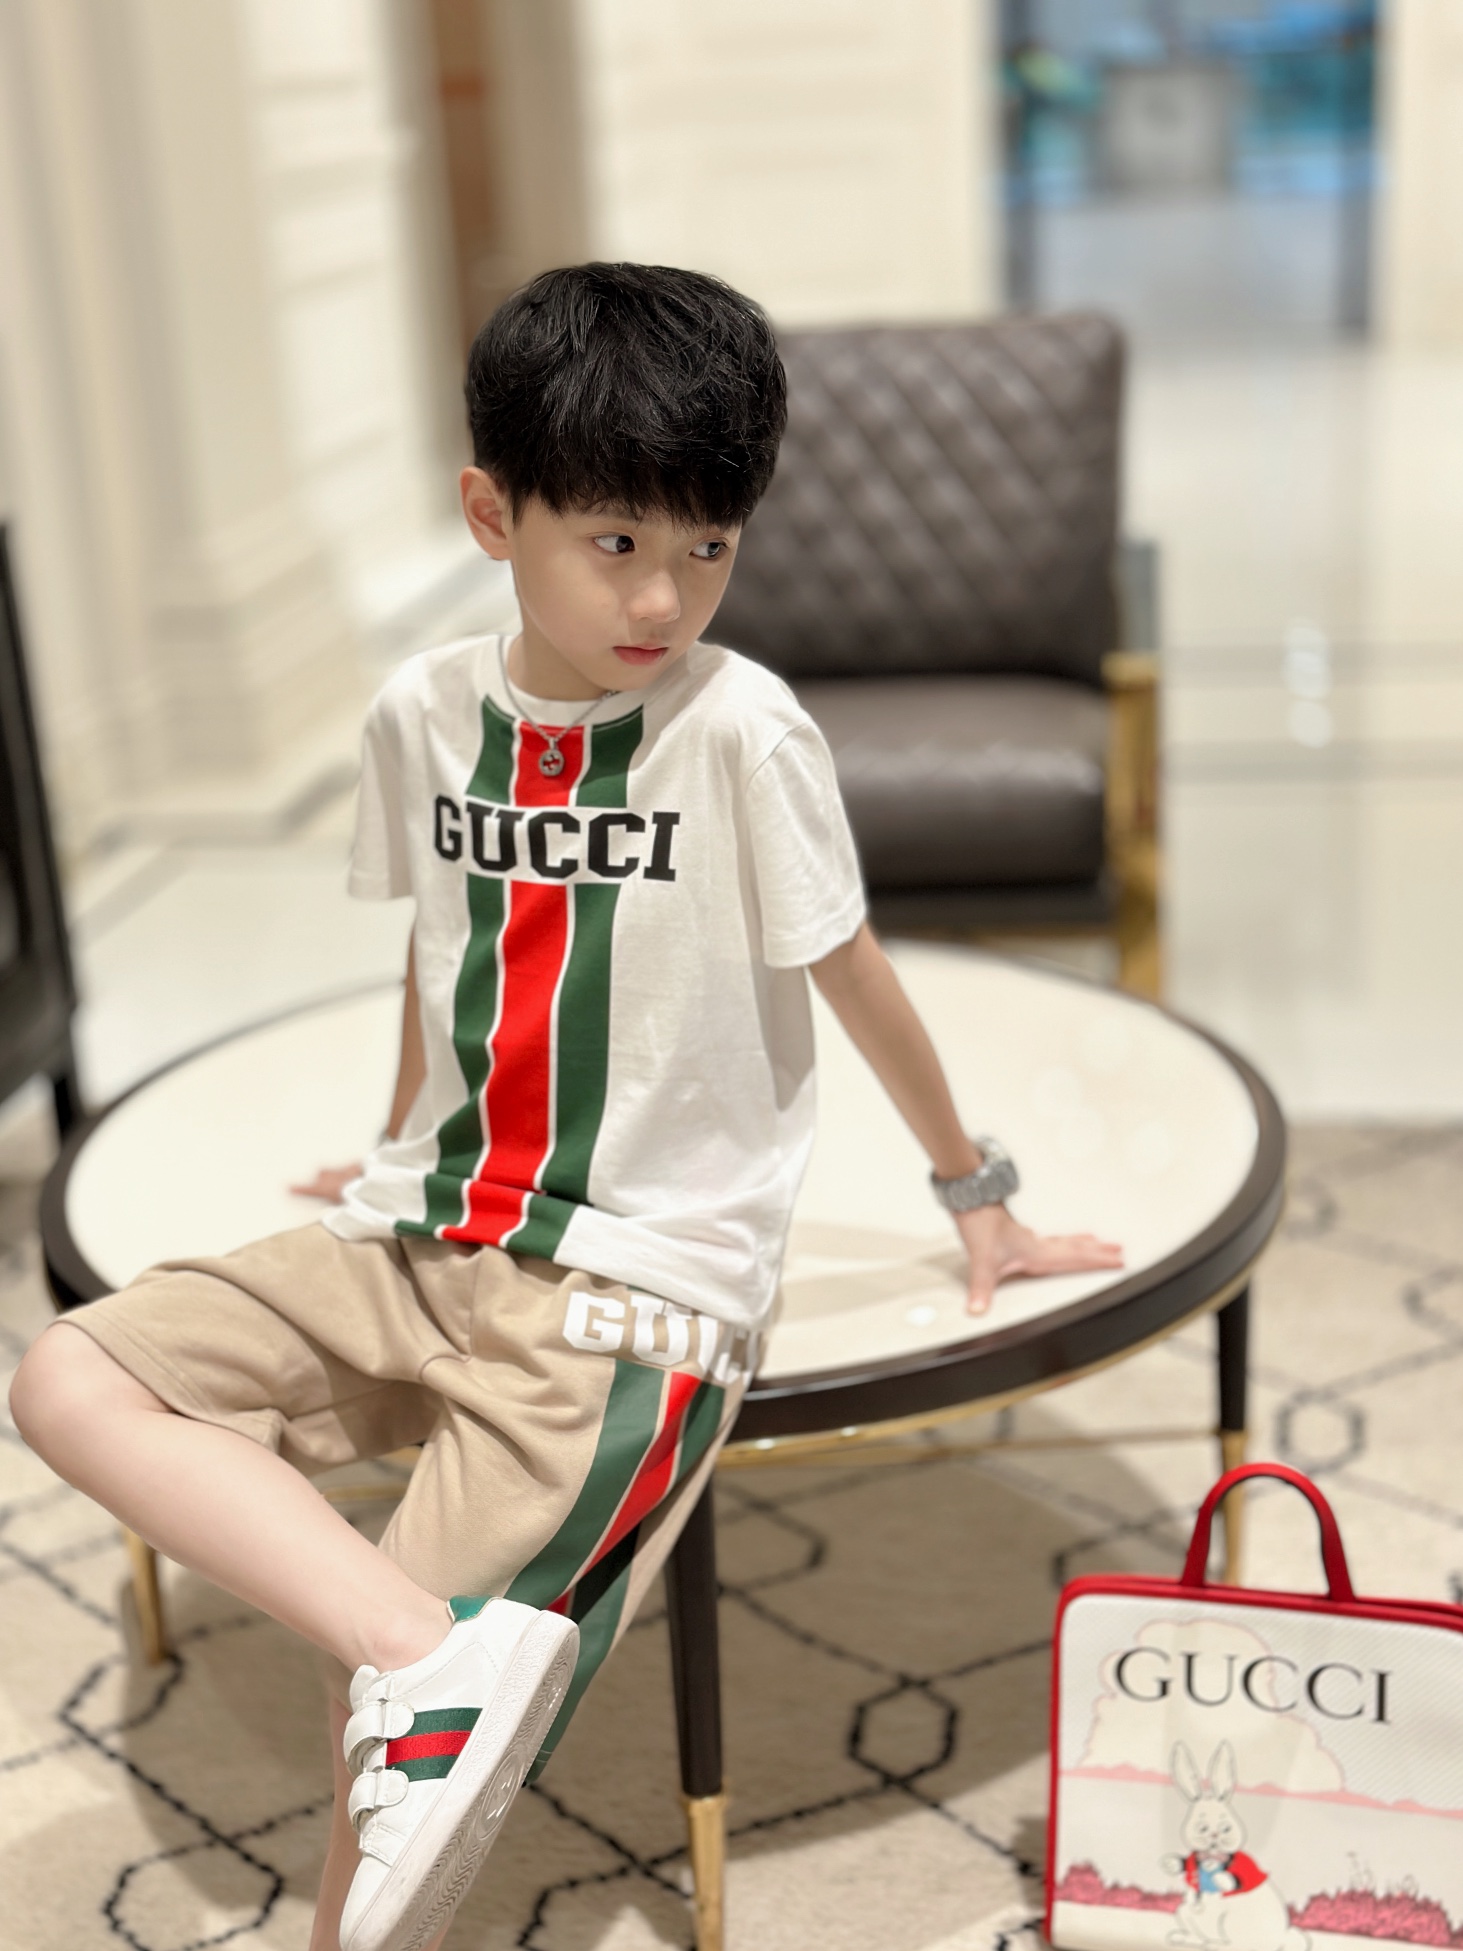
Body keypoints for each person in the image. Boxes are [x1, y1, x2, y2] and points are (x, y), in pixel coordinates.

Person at [11, 262, 1122, 1951]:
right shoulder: (422, 714)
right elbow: (443, 945)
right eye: (615, 541)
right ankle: (421, 1655)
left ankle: (401, 1702)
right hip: (424, 1226)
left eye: (708, 547)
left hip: (625, 1293)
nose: (665, 597)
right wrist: (401, 1136)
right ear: (493, 515)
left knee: (381, 1764)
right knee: (71, 1376)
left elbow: (854, 974)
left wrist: (980, 1192)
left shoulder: (743, 732)